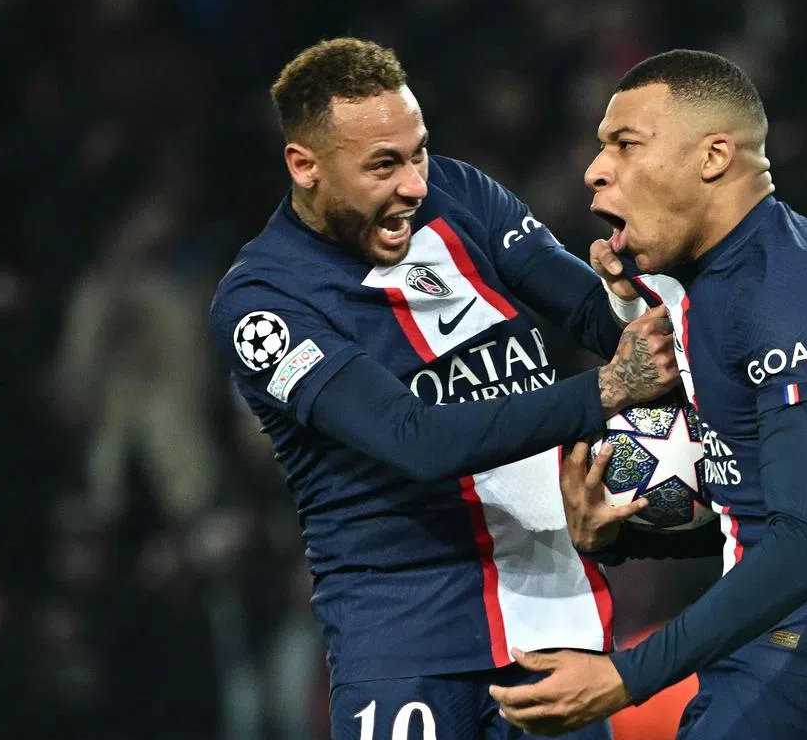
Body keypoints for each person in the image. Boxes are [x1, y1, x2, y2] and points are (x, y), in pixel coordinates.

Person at [208, 37, 679, 740]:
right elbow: (417, 440)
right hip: (410, 646)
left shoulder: (459, 194)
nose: (414, 185)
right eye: (383, 166)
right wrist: (607, 390)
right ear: (304, 166)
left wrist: (627, 306)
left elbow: (588, 311)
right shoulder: (263, 304)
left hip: (555, 623)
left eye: (418, 151)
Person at [490, 49, 807, 739]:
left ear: (713, 158)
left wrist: (626, 677)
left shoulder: (789, 297)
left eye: (625, 144)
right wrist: (622, 537)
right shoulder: (719, 280)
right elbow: (765, 504)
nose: (595, 169)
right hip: (799, 645)